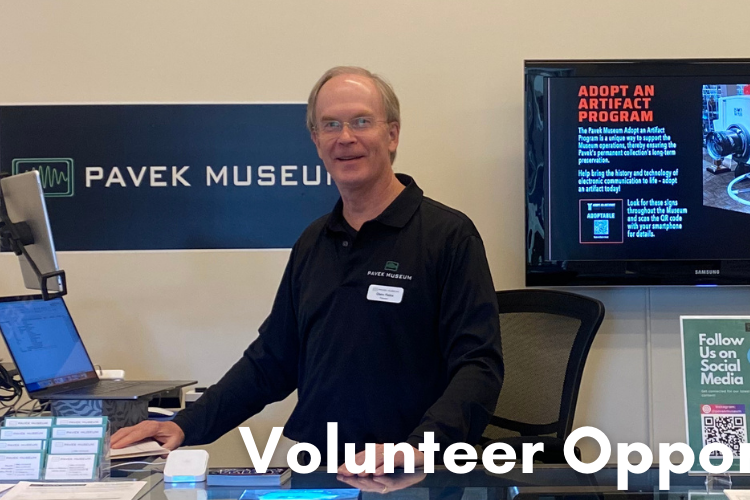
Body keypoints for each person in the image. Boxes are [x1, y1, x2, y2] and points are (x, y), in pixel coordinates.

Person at [110, 66, 503, 476]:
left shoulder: (448, 236)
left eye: (361, 122)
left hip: (413, 475)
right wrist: (185, 426)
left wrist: (420, 447)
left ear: (393, 135)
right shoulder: (315, 242)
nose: (345, 137)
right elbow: (272, 361)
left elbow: (480, 366)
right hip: (319, 470)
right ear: (316, 142)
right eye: (329, 125)